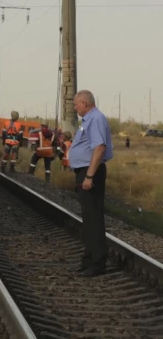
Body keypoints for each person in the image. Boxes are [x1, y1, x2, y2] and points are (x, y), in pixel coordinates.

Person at [68, 90, 113, 277]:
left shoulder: (95, 119)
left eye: (76, 104)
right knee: (88, 219)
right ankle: (89, 259)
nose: (74, 107)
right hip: (85, 171)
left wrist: (89, 176)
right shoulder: (88, 120)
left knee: (93, 219)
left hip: (90, 172)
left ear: (85, 103)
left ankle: (97, 263)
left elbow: (100, 147)